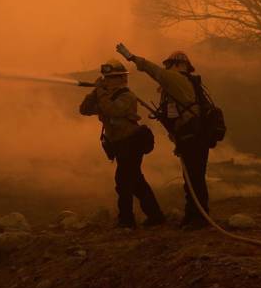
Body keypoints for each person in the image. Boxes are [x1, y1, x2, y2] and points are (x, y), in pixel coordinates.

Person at [116, 44, 211, 230]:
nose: (167, 69)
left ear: (176, 65)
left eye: (169, 65)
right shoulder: (187, 83)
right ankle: (193, 215)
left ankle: (199, 217)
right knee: (192, 176)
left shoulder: (176, 78)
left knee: (194, 177)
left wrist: (131, 57)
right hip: (191, 136)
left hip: (193, 137)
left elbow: (154, 71)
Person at [79, 59, 165, 229]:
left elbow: (113, 110)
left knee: (123, 182)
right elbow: (84, 109)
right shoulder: (105, 97)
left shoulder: (127, 96)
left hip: (132, 143)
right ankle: (155, 216)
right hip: (119, 145)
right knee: (136, 181)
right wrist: (95, 93)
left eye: (110, 78)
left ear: (120, 79)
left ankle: (126, 220)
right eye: (105, 78)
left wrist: (100, 92)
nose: (106, 81)